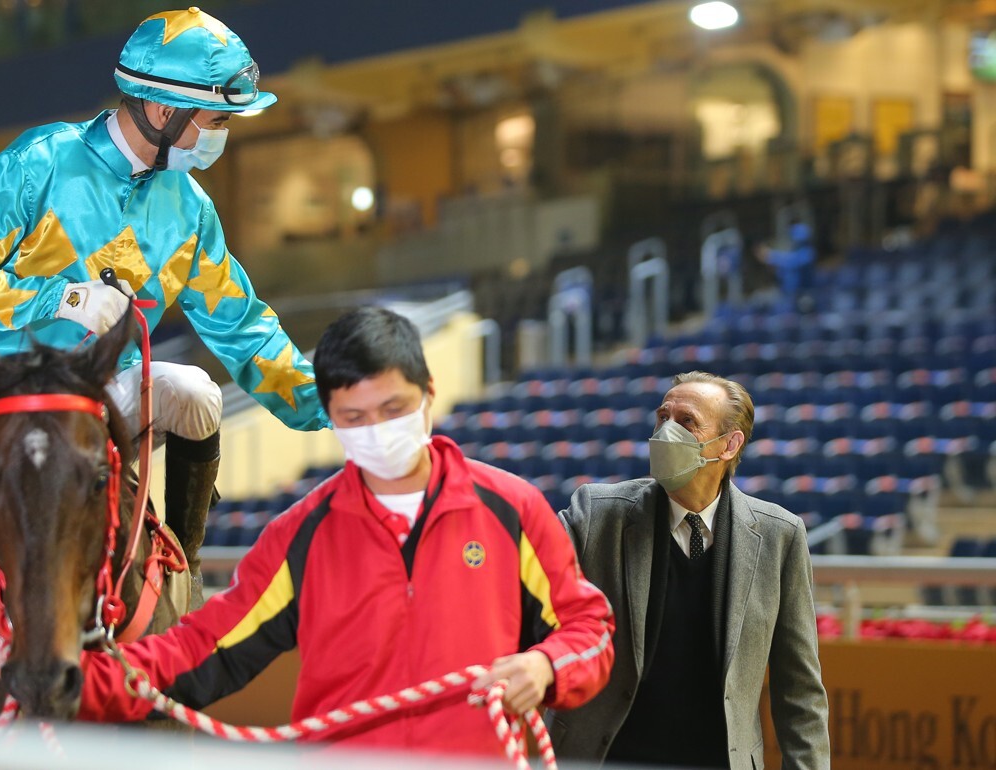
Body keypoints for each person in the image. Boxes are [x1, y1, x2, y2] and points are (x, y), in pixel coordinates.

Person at [0, 8, 329, 613]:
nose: (220, 136)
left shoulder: (191, 207)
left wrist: (328, 404)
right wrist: (62, 297)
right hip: (11, 376)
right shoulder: (42, 160)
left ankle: (181, 570)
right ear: (163, 112)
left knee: (197, 392)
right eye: (215, 121)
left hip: (108, 385)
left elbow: (242, 325)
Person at [77, 307, 615, 755]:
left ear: (428, 394)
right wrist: (74, 681)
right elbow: (200, 649)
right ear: (330, 417)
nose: (376, 430)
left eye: (393, 408)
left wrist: (546, 664)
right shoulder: (303, 536)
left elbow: (588, 630)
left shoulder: (511, 510)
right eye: (353, 416)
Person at [551, 371, 830, 769]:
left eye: (686, 422)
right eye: (662, 417)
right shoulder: (596, 513)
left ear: (729, 444)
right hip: (607, 757)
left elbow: (800, 691)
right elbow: (528, 580)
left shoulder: (779, 536)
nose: (666, 431)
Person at [757, 220, 816, 313]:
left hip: (804, 295)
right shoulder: (793, 252)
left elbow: (792, 262)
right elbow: (784, 271)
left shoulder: (808, 253)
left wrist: (771, 255)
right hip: (787, 295)